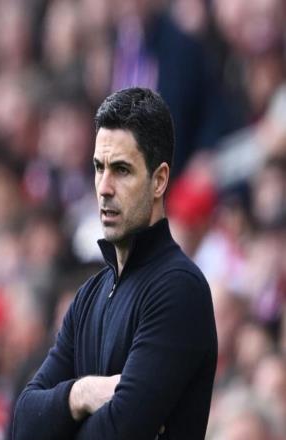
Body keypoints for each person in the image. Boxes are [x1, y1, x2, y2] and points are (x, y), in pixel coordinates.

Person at [12, 87, 217, 439]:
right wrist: (83, 393)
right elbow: (23, 424)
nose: (104, 187)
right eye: (98, 168)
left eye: (121, 170)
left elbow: (119, 431)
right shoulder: (88, 296)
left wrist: (61, 421)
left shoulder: (179, 289)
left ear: (159, 180)